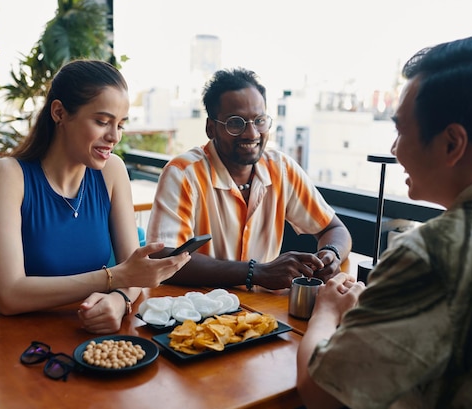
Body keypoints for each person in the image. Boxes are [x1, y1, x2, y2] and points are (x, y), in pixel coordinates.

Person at [297, 36, 472, 409]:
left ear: (452, 144)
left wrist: (328, 310)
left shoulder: (432, 255)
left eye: (401, 131)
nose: (394, 149)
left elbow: (322, 393)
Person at [0, 59, 190, 407]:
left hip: (76, 339)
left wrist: (119, 298)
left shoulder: (112, 172)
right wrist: (113, 279)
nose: (114, 137)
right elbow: (8, 295)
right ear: (60, 113)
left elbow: (133, 274)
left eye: (120, 125)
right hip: (1, 344)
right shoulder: (7, 176)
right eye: (102, 121)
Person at [146, 67, 352, 290]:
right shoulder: (184, 173)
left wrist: (331, 254)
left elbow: (334, 229)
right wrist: (255, 272)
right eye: (236, 122)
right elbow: (163, 258)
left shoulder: (282, 169)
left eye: (259, 120)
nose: (252, 134)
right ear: (211, 128)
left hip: (263, 311)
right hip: (198, 312)